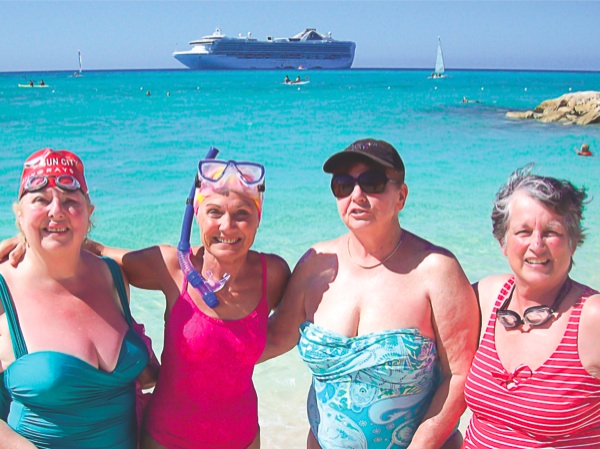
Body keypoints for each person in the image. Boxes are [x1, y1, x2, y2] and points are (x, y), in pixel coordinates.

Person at [261, 138, 479, 449]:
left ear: (401, 196)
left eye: (372, 183)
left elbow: (460, 377)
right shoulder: (315, 264)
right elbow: (273, 339)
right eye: (343, 185)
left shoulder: (436, 270)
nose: (357, 195)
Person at [86, 154, 289, 448]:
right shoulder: (171, 267)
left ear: (258, 218)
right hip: (167, 438)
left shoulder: (274, 275)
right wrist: (26, 242)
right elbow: (94, 253)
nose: (227, 226)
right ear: (196, 214)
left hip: (242, 439)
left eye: (242, 214)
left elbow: (310, 308)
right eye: (215, 212)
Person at [0, 148, 152, 449]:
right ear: (19, 213)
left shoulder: (114, 277)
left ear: (89, 213)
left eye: (70, 201)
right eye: (40, 200)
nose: (56, 210)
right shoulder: (4, 291)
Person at [463, 165, 600, 448]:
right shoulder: (487, 297)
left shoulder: (592, 317)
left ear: (573, 241)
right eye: (523, 231)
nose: (537, 245)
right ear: (503, 242)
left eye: (551, 231)